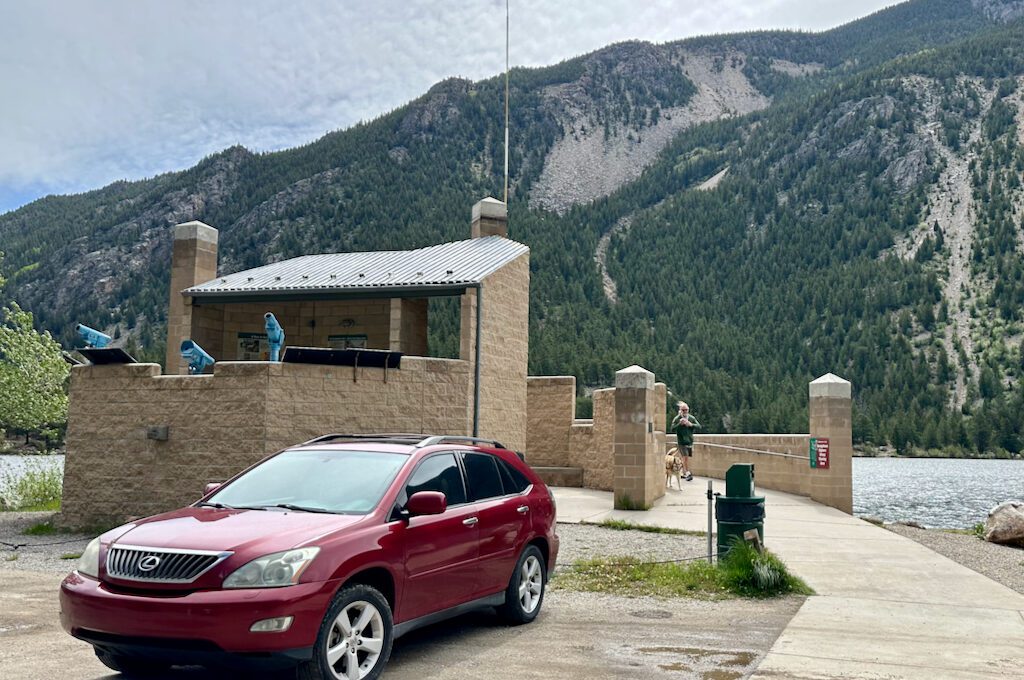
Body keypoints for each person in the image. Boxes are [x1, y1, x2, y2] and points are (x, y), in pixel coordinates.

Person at [670, 401, 701, 481]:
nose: (685, 412)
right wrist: (679, 424)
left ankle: (682, 472)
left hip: (689, 441)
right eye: (683, 410)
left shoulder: (691, 418)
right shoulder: (677, 419)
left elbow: (699, 426)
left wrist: (691, 425)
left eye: (686, 410)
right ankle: (687, 473)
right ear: (680, 410)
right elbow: (672, 429)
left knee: (685, 458)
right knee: (685, 457)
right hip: (681, 442)